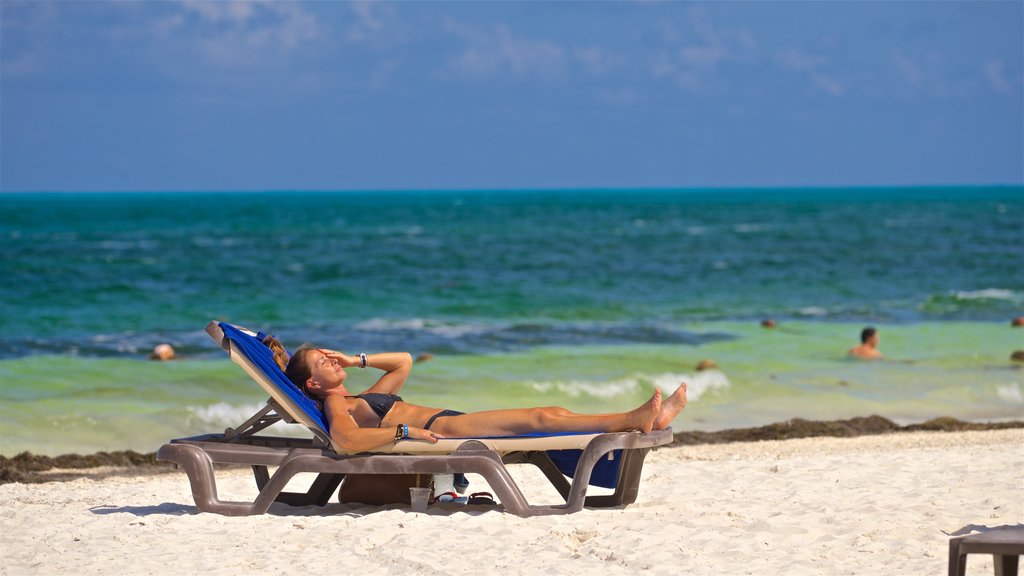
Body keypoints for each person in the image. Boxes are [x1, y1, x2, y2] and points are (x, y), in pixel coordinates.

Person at [265, 340, 688, 454]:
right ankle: (636, 418)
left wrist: (355, 360)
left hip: (449, 420)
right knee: (543, 416)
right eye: (324, 362)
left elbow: (404, 362)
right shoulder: (337, 404)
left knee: (552, 413)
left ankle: (642, 417)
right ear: (313, 386)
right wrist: (405, 432)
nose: (332, 359)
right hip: (443, 430)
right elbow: (344, 441)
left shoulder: (361, 394)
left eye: (330, 354)